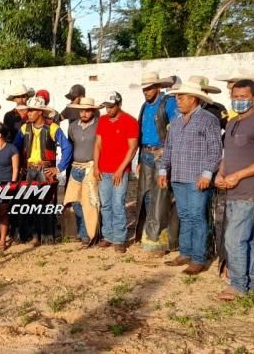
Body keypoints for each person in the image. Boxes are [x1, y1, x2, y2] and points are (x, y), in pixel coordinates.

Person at [216, 79, 254, 301]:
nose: (238, 101)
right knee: (246, 239)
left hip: (250, 192)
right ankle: (250, 283)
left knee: (234, 239)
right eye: (235, 97)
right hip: (232, 191)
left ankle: (238, 286)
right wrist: (220, 174)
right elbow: (228, 156)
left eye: (243, 97)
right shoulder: (232, 123)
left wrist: (238, 175)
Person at [158, 82, 223, 275]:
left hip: (197, 178)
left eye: (181, 98)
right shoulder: (176, 121)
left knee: (197, 217)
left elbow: (215, 149)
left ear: (193, 99)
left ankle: (198, 258)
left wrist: (207, 173)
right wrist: (163, 170)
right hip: (178, 176)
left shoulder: (208, 119)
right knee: (185, 216)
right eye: (177, 98)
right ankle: (185, 253)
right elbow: (168, 148)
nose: (177, 101)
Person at [13, 96, 72, 246]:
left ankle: (47, 236)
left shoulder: (53, 127)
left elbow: (67, 148)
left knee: (46, 203)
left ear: (40, 112)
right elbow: (15, 148)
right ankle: (34, 236)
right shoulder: (24, 128)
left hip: (45, 170)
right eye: (28, 110)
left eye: (31, 110)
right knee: (29, 204)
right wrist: (19, 165)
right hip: (29, 169)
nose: (28, 113)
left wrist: (59, 168)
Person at [134, 72, 179, 256]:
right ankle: (148, 234)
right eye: (144, 88)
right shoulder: (145, 106)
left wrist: (167, 150)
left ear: (158, 87)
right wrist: (139, 159)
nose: (146, 91)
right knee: (146, 195)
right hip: (146, 152)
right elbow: (141, 133)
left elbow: (175, 129)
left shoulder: (168, 103)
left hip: (161, 153)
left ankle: (159, 240)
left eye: (150, 88)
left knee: (161, 197)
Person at [94, 92, 139, 253]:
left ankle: (119, 239)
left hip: (119, 171)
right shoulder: (102, 120)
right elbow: (98, 144)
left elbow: (133, 148)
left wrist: (121, 169)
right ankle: (108, 235)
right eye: (107, 106)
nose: (108, 110)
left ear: (119, 105)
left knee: (118, 204)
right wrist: (96, 166)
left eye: (111, 107)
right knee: (105, 204)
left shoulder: (130, 121)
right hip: (103, 169)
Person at [62, 98, 102, 246]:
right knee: (75, 202)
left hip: (91, 166)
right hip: (76, 167)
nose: (84, 114)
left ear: (93, 111)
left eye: (87, 111)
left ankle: (88, 234)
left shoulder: (99, 125)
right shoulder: (73, 127)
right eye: (82, 111)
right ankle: (82, 231)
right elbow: (71, 145)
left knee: (90, 202)